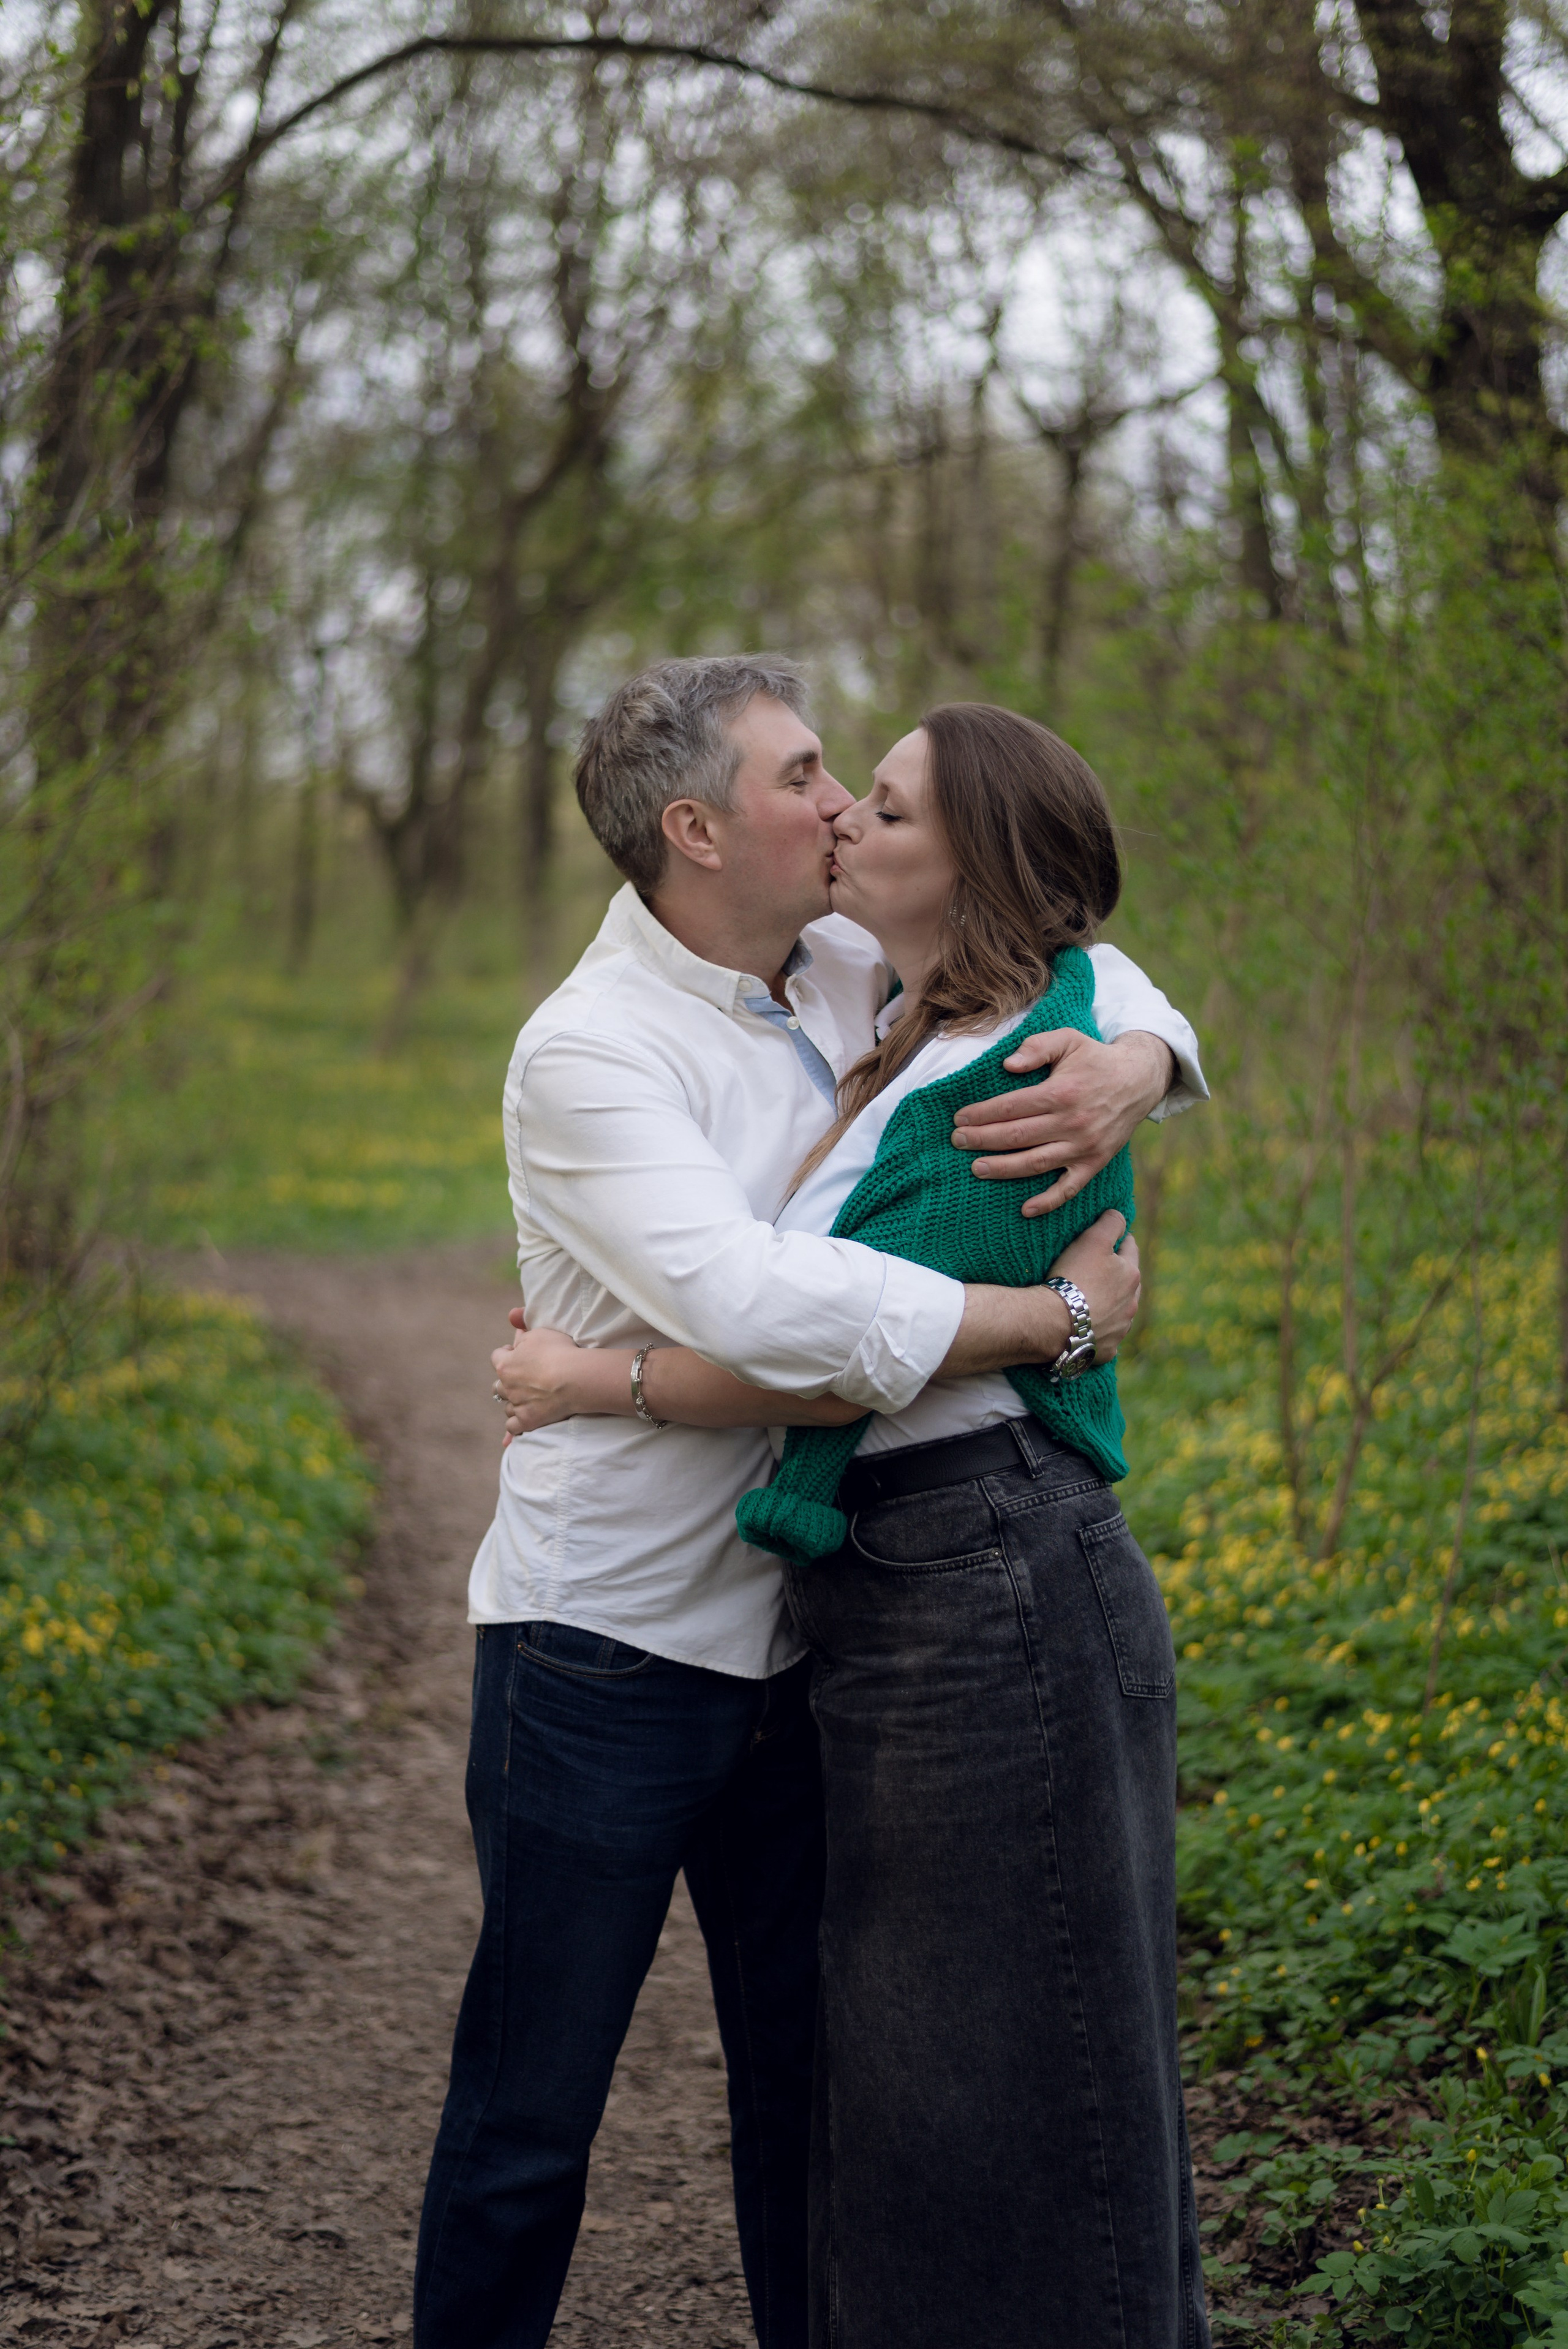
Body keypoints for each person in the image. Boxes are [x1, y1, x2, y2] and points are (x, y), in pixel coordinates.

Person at [413, 658, 1207, 2349]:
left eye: (854, 779)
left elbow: (1052, 940)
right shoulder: (589, 1053)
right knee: (529, 2117)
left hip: (808, 1641)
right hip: (606, 1651)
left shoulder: (838, 965)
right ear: (698, 830)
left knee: (810, 2097)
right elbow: (756, 1302)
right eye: (806, 775)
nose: (842, 804)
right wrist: (1054, 1321)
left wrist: (1143, 1056)